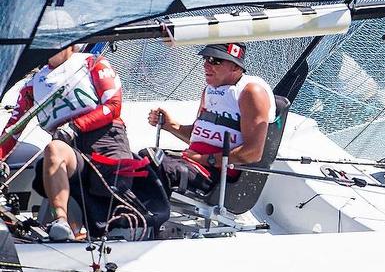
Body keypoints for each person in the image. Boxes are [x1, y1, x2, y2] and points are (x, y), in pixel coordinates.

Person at [1, 45, 131, 241]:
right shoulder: (32, 85)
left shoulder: (92, 63)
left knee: (111, 198)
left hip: (106, 142)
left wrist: (75, 126)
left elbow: (113, 105)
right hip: (67, 146)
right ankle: (62, 225)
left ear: (71, 44)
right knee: (53, 150)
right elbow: (13, 129)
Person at [148, 43, 275, 196]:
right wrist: (170, 125)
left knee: (157, 169)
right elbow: (199, 136)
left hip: (215, 175)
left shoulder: (251, 92)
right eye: (206, 58)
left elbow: (253, 152)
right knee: (142, 158)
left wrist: (206, 159)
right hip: (192, 162)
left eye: (215, 60)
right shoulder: (209, 91)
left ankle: (142, 217)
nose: (206, 65)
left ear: (235, 67)